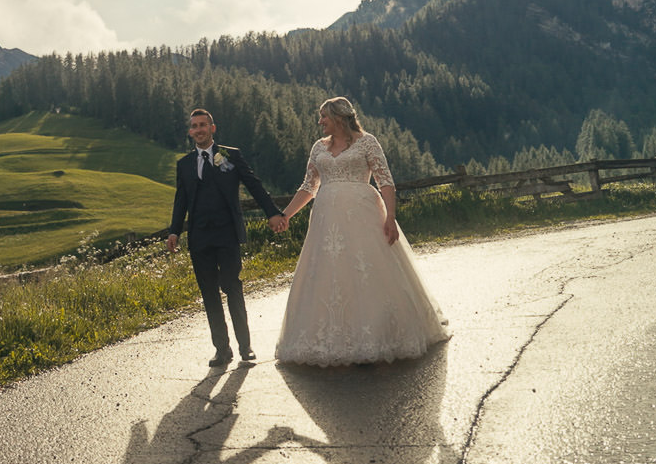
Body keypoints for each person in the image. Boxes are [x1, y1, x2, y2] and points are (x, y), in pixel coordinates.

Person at [275, 97, 449, 366]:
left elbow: (385, 181)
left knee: (369, 272)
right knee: (327, 275)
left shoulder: (368, 142)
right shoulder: (318, 147)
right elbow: (308, 187)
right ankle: (329, 338)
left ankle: (379, 334)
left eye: (324, 116)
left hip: (364, 216)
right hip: (326, 221)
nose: (320, 121)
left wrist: (390, 217)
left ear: (339, 117)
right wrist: (286, 215)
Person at [167, 108, 288, 367]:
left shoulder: (230, 156)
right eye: (194, 126)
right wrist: (175, 231)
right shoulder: (184, 164)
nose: (198, 129)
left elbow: (254, 185)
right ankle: (222, 350)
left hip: (227, 234)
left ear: (212, 128)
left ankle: (246, 347)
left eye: (203, 125)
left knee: (232, 287)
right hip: (199, 237)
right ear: (190, 132)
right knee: (209, 293)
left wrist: (273, 214)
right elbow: (181, 201)